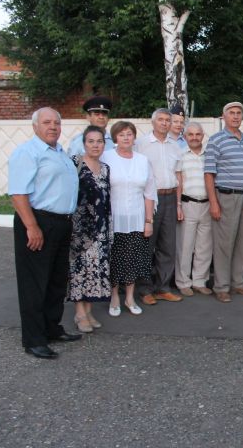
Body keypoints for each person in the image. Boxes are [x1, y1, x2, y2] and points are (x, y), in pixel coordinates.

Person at [8, 107, 81, 359]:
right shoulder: (27, 153)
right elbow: (18, 193)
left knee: (56, 281)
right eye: (47, 122)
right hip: (38, 222)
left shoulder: (60, 153)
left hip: (61, 223)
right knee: (34, 284)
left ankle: (52, 328)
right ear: (35, 126)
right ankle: (34, 339)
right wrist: (31, 226)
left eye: (56, 123)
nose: (53, 127)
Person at [205, 101, 243, 303]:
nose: (236, 116)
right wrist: (213, 203)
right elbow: (209, 174)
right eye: (232, 113)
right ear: (224, 116)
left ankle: (239, 284)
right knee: (224, 244)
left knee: (242, 244)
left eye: (239, 113)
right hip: (227, 197)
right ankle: (221, 287)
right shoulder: (216, 140)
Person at [101, 121, 157, 316]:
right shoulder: (106, 157)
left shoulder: (143, 160)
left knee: (133, 259)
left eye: (129, 134)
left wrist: (148, 221)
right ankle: (114, 296)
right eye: (121, 134)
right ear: (115, 138)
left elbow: (150, 193)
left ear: (134, 137)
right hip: (113, 219)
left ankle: (130, 297)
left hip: (136, 218)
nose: (126, 137)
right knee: (114, 259)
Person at [135, 108, 183, 305]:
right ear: (153, 122)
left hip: (171, 197)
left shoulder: (175, 146)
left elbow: (179, 175)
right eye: (161, 120)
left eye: (167, 120)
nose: (164, 123)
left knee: (168, 245)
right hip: (150, 200)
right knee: (147, 245)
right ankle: (145, 288)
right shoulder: (141, 144)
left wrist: (179, 203)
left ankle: (163, 287)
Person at [68, 126, 113, 333]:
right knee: (80, 271)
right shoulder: (75, 164)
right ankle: (79, 313)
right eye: (91, 141)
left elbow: (107, 200)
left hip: (101, 228)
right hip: (80, 229)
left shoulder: (105, 168)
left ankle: (88, 311)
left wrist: (108, 228)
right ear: (84, 143)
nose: (96, 145)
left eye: (99, 141)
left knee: (96, 271)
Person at [175, 122, 213, 297]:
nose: (194, 137)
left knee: (204, 247)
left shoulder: (210, 156)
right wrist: (178, 206)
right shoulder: (180, 155)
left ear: (203, 136)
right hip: (188, 204)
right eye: (191, 134)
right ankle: (183, 282)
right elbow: (179, 182)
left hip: (207, 205)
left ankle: (199, 281)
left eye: (198, 134)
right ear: (185, 137)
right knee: (185, 246)